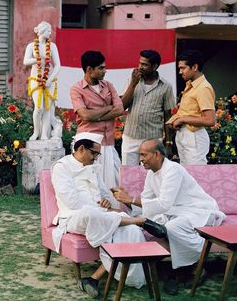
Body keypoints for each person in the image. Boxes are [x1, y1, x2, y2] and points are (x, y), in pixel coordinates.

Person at [51, 132, 167, 298]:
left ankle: (94, 279)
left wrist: (106, 202)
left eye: (98, 154)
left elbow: (105, 195)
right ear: (81, 148)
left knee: (132, 232)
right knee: (90, 212)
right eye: (94, 153)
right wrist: (104, 210)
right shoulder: (61, 167)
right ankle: (137, 220)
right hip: (73, 217)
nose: (96, 158)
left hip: (103, 217)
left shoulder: (94, 168)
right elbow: (72, 203)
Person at [112, 138, 225, 295]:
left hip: (196, 210)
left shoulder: (173, 169)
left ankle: (194, 267)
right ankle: (183, 269)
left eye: (144, 155)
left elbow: (164, 204)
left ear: (157, 154)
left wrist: (130, 199)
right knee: (157, 221)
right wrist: (127, 202)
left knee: (171, 227)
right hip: (175, 212)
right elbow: (146, 200)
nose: (141, 159)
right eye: (140, 155)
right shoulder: (152, 173)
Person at [70, 51, 124, 191]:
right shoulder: (76, 89)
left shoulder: (108, 86)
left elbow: (119, 110)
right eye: (101, 68)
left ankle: (114, 211)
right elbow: (85, 115)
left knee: (116, 181)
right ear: (89, 69)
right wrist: (108, 108)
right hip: (88, 144)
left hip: (108, 142)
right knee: (89, 184)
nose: (105, 71)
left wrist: (96, 115)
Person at [120, 50, 175, 165]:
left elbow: (168, 116)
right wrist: (133, 84)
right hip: (130, 137)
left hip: (152, 139)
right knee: (128, 174)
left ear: (155, 66)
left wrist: (169, 142)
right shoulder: (132, 80)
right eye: (140, 63)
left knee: (151, 175)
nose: (140, 67)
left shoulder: (166, 86)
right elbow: (122, 106)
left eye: (144, 65)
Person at [166, 50, 216, 165]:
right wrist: (175, 120)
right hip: (185, 136)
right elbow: (189, 112)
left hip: (195, 137)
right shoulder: (190, 85)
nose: (180, 72)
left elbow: (210, 120)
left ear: (194, 67)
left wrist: (182, 119)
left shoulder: (204, 88)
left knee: (196, 176)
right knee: (187, 177)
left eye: (183, 68)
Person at [23, 21, 61, 141]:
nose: (50, 33)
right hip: (36, 79)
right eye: (48, 30)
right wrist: (37, 60)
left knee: (47, 108)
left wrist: (50, 79)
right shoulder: (31, 46)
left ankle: (44, 134)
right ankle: (36, 132)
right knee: (38, 108)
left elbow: (58, 65)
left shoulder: (53, 46)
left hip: (50, 80)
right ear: (42, 31)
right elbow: (26, 61)